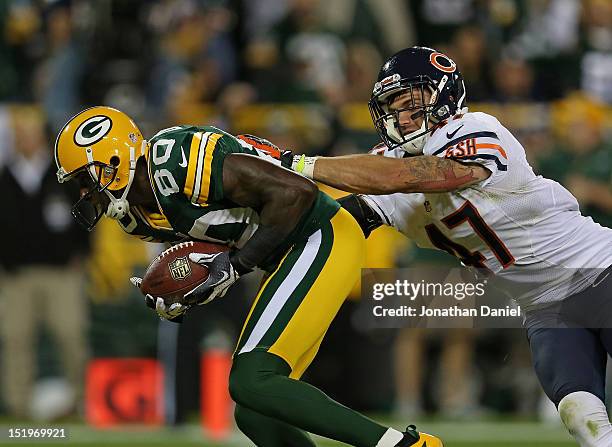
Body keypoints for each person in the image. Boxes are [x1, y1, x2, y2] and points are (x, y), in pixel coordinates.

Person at [53, 106, 442, 447]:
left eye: (86, 180)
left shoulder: (176, 162)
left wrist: (236, 267)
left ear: (115, 162)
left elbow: (296, 193)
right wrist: (183, 294)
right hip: (288, 253)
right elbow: (213, 250)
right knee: (256, 411)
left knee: (251, 380)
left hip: (319, 235)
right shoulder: (138, 217)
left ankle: (401, 445)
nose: (86, 193)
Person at [289, 46, 612, 447]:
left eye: (411, 103)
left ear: (444, 97)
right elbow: (336, 216)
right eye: (392, 107)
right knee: (581, 416)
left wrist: (300, 164)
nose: (402, 117)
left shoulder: (476, 127)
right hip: (545, 307)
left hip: (600, 271)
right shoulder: (388, 168)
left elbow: (424, 175)